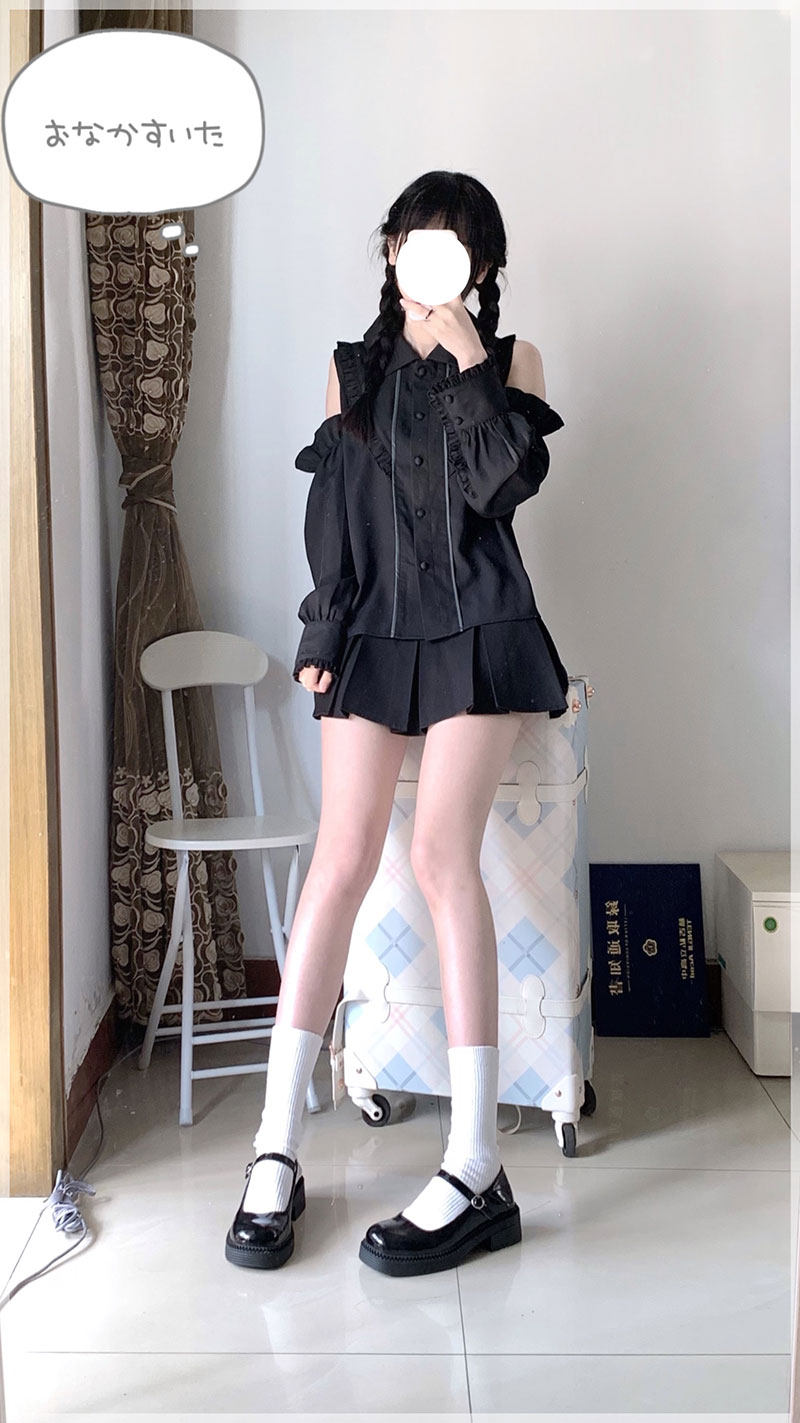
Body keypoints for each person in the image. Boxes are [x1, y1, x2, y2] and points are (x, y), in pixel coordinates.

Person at [225, 170, 570, 1278]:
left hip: (480, 628)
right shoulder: (352, 368)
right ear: (389, 250)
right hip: (372, 630)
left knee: (439, 859)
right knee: (338, 860)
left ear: (483, 266)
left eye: (456, 247)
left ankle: (474, 1162)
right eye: (416, 240)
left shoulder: (511, 362)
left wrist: (466, 358)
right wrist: (322, 627)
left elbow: (502, 487)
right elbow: (334, 511)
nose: (430, 259)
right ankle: (274, 1146)